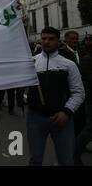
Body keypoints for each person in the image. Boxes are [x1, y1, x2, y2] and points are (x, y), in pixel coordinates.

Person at [27, 27, 85, 166]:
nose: (47, 42)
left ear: (58, 41)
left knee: (66, 160)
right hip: (35, 119)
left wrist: (67, 112)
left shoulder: (69, 65)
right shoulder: (31, 63)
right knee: (35, 160)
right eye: (44, 38)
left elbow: (79, 92)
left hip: (62, 120)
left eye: (51, 39)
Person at [59, 31, 86, 136]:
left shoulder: (82, 51)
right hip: (70, 90)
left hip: (83, 89)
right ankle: (72, 143)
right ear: (66, 40)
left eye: (76, 38)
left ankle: (79, 141)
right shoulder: (62, 53)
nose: (75, 41)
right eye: (72, 39)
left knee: (82, 118)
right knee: (74, 117)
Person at [75, 34, 92, 165]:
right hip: (90, 99)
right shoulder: (87, 58)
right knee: (89, 129)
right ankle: (75, 152)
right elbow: (86, 81)